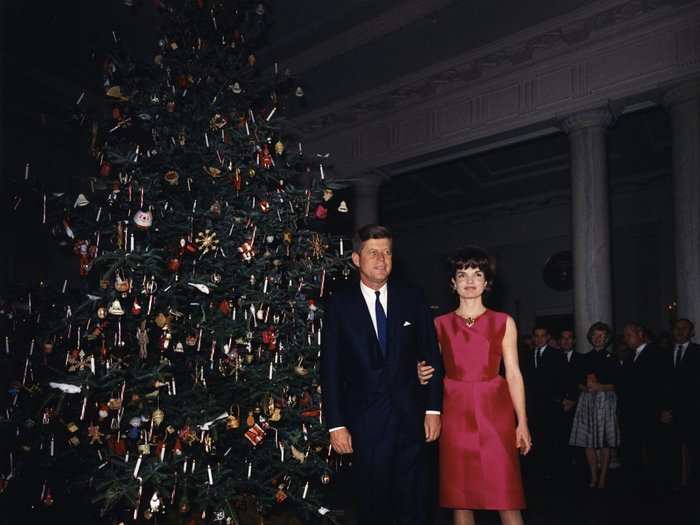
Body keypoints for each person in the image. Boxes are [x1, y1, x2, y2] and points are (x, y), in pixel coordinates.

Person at [320, 224, 443, 525]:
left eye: (387, 252)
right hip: (364, 423)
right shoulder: (339, 305)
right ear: (355, 258)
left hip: (411, 419)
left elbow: (432, 356)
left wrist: (433, 408)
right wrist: (336, 424)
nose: (381, 259)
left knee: (414, 502)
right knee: (373, 504)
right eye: (373, 253)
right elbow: (331, 368)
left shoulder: (412, 297)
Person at [418, 246, 530, 525]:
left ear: (486, 282)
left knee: (506, 495)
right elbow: (428, 369)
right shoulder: (438, 325)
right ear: (452, 283)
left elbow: (514, 373)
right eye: (462, 274)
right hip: (454, 413)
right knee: (460, 497)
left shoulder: (504, 322)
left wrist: (522, 422)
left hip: (496, 413)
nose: (469, 280)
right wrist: (419, 372)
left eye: (477, 274)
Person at [568, 322, 620, 489]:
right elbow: (577, 383)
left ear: (606, 339)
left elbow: (618, 384)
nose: (598, 339)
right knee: (588, 442)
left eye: (601, 336)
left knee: (604, 441)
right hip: (587, 402)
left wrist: (600, 387)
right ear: (590, 337)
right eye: (595, 335)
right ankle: (593, 475)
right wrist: (585, 387)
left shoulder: (612, 358)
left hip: (605, 402)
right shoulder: (584, 358)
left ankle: (603, 476)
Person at [521, 325, 566, 479]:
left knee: (551, 438)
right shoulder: (527, 355)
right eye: (537, 336)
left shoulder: (557, 354)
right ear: (533, 338)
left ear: (548, 337)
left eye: (542, 335)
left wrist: (560, 398)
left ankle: (552, 472)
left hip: (550, 404)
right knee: (535, 437)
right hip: (533, 405)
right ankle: (538, 471)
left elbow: (562, 379)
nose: (539, 339)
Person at [662, 318, 699, 489]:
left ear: (691, 332)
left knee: (694, 448)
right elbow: (660, 385)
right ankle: (676, 482)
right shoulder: (663, 353)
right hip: (670, 411)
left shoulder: (698, 352)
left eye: (684, 328)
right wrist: (663, 409)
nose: (680, 331)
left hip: (693, 410)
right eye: (677, 328)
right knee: (671, 449)